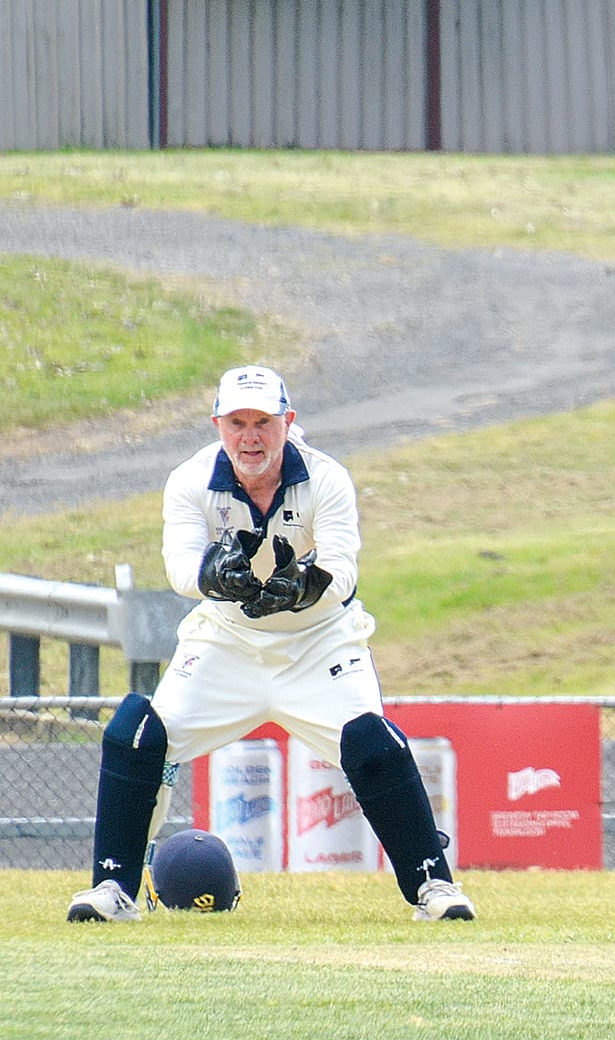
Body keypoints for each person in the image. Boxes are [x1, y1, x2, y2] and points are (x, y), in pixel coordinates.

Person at [67, 365, 476, 924]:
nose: (250, 437)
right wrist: (215, 575)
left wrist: (306, 586)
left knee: (371, 741)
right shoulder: (190, 481)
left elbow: (343, 571)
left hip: (320, 640)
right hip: (227, 641)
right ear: (218, 424)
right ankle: (112, 889)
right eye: (237, 422)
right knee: (139, 733)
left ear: (289, 422)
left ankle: (435, 888)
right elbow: (182, 568)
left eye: (263, 422)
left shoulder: (327, 478)